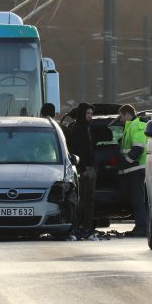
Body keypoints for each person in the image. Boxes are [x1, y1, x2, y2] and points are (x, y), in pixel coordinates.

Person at [117, 104, 148, 237]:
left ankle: (142, 227)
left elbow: (138, 149)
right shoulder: (131, 126)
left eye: (121, 116)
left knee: (138, 200)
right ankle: (141, 225)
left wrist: (125, 162)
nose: (120, 120)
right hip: (134, 170)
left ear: (127, 114)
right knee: (137, 200)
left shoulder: (136, 125)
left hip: (138, 169)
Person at [68, 102, 96, 238]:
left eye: (91, 114)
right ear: (82, 114)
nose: (90, 116)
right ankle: (81, 226)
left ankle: (86, 225)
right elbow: (77, 150)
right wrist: (83, 167)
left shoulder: (87, 128)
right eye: (87, 113)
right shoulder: (78, 129)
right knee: (83, 200)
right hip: (82, 170)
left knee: (89, 200)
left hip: (89, 168)